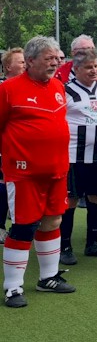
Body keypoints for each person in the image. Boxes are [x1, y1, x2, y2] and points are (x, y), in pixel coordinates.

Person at [0, 36, 75, 308]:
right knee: (23, 226)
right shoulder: (8, 89)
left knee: (53, 221)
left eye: (57, 58)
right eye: (49, 58)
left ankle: (48, 278)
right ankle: (12, 287)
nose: (55, 63)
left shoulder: (57, 86)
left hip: (57, 170)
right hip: (24, 174)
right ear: (30, 61)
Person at [60, 49, 97, 265]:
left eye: (96, 67)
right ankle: (65, 246)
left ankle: (92, 243)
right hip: (74, 157)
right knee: (70, 201)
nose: (94, 71)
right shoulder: (66, 90)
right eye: (88, 67)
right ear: (76, 69)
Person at [0, 47, 24, 244]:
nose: (25, 64)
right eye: (21, 62)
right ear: (8, 66)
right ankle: (1, 227)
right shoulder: (3, 89)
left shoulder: (28, 88)